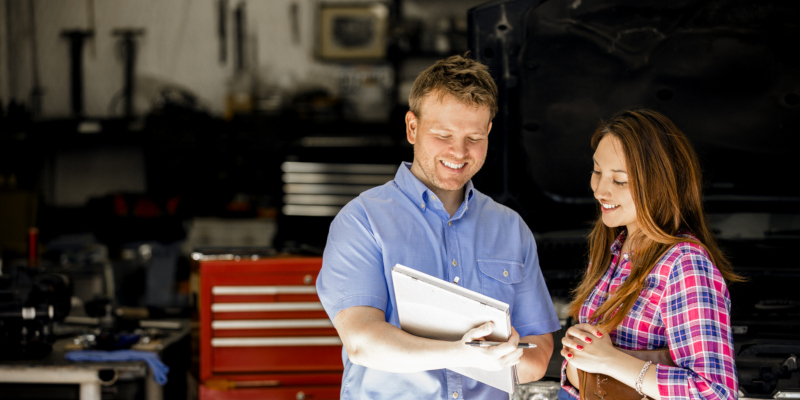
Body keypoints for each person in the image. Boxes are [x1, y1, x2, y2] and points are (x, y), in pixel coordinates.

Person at [316, 54, 561, 399]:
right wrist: (462, 354)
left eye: (474, 138)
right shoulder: (362, 221)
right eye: (443, 134)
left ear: (489, 131)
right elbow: (363, 342)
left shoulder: (510, 228)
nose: (458, 152)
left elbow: (538, 355)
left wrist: (510, 354)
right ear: (412, 128)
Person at [559, 109, 741, 400]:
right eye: (597, 171)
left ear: (660, 184)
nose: (599, 190)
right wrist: (579, 352)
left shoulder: (684, 265)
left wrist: (609, 360)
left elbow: (715, 393)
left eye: (619, 181)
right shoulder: (613, 250)